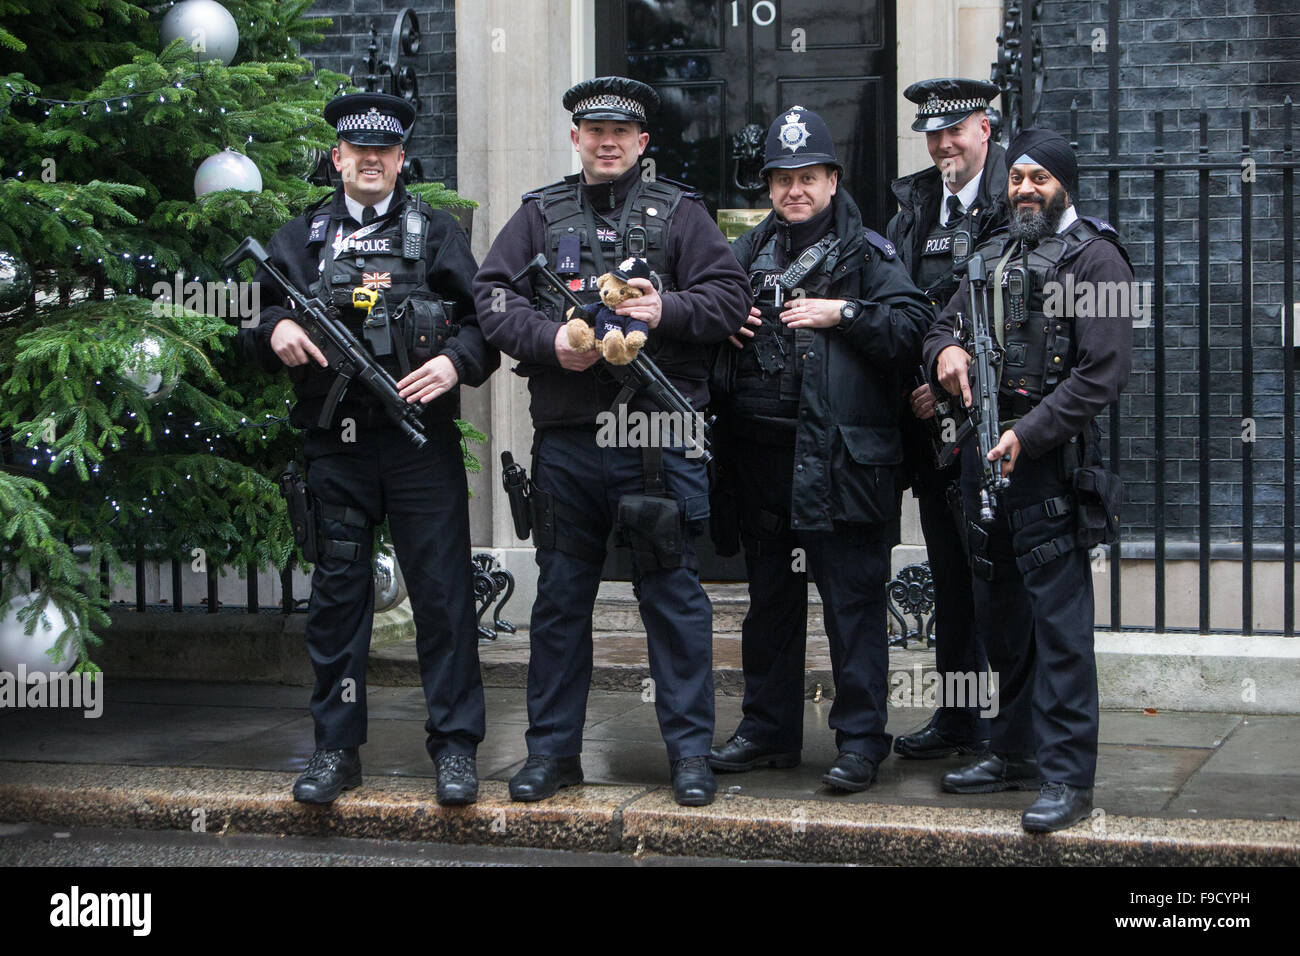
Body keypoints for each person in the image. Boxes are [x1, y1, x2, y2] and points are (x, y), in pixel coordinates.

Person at [473, 77, 750, 807]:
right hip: (568, 442)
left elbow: (731, 298)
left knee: (674, 600)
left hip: (657, 439)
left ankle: (689, 754)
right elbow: (492, 296)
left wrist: (670, 308)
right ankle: (552, 754)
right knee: (561, 601)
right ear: (576, 138)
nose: (605, 142)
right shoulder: (539, 215)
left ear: (640, 144)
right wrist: (548, 341)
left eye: (620, 133)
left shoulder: (682, 213)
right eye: (593, 131)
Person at [238, 92, 499, 807]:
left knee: (443, 598)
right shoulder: (303, 238)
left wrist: (455, 363)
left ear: (401, 160)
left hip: (420, 446)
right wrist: (273, 332)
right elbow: (247, 316)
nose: (373, 161)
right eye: (360, 151)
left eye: (385, 152)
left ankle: (453, 748)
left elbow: (484, 321)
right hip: (337, 446)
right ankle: (334, 751)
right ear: (338, 159)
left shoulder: (437, 234)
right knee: (337, 599)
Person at [707, 106, 934, 791]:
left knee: (853, 606)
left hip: (842, 463)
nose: (794, 190)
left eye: (808, 176)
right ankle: (768, 728)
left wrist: (844, 314)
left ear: (832, 180)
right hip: (763, 462)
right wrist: (727, 321)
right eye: (782, 178)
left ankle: (862, 740)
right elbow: (698, 319)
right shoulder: (743, 255)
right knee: (770, 602)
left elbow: (912, 328)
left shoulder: (869, 253)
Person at [923, 127, 1132, 832]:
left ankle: (1069, 779)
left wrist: (1028, 432)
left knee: (1062, 631)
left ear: (1064, 184)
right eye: (1016, 178)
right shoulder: (990, 253)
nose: (1024, 190)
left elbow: (1102, 373)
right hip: (983, 459)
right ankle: (1014, 753)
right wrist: (946, 350)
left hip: (1048, 466)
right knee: (1001, 620)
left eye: (1038, 179)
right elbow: (938, 324)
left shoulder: (1099, 260)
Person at [887, 78, 1008, 760]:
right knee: (952, 583)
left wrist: (950, 382)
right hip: (928, 432)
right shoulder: (916, 206)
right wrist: (919, 379)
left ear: (984, 129)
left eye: (955, 131)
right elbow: (904, 306)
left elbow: (1004, 303)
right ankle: (958, 719)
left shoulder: (1010, 199)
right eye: (933, 134)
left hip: (987, 426)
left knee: (992, 579)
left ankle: (1002, 728)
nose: (943, 144)